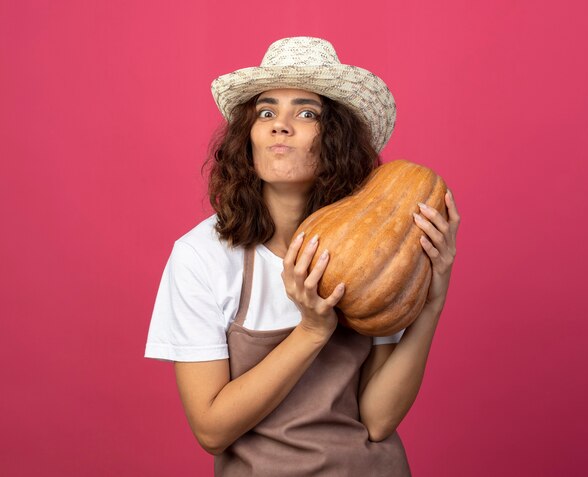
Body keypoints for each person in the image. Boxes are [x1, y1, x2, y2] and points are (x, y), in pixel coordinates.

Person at [145, 36, 460, 476]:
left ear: (336, 140)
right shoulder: (202, 255)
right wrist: (312, 331)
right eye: (266, 112)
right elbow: (212, 431)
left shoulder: (378, 249)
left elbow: (377, 420)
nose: (280, 125)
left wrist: (430, 303)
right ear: (248, 137)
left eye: (306, 113)